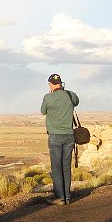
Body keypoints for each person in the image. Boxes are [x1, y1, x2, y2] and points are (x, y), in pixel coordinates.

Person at [40, 73, 79, 205]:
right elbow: (77, 102)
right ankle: (67, 196)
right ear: (61, 83)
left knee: (56, 167)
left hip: (55, 136)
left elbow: (43, 111)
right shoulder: (71, 95)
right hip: (69, 136)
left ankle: (59, 197)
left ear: (50, 84)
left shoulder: (48, 98)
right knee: (66, 166)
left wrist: (51, 94)